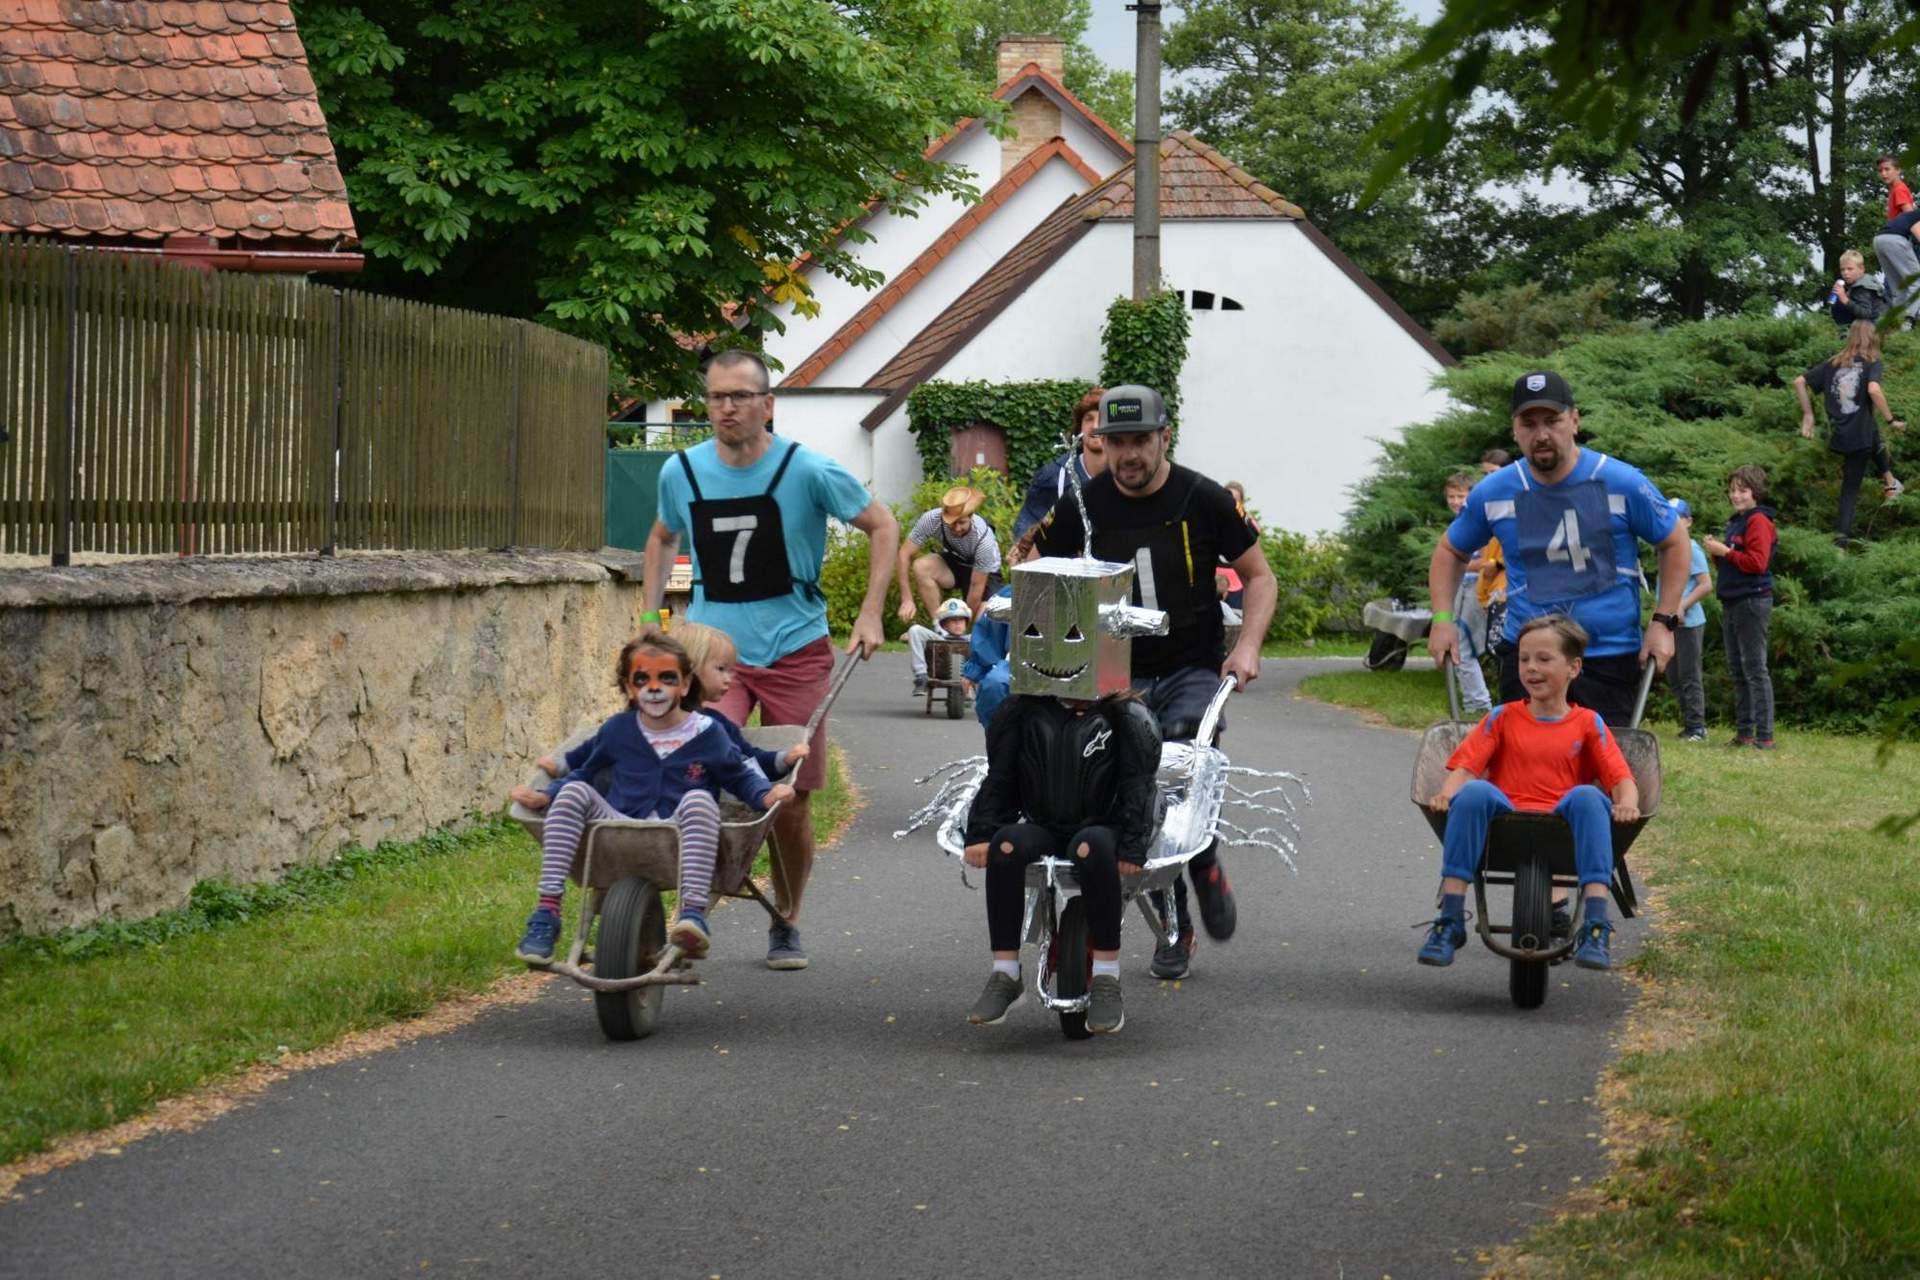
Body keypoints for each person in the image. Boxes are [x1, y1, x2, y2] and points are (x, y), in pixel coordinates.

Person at [643, 349, 899, 970]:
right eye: (716, 397)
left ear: (767, 404)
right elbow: (662, 536)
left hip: (794, 648)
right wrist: (652, 623)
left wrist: (871, 611)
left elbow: (883, 525)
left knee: (790, 798)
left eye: (739, 396)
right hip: (712, 653)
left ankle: (786, 918)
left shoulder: (805, 469)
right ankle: (690, 914)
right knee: (696, 774)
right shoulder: (682, 471)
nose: (726, 408)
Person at [1028, 384, 1278, 979]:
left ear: (1165, 437)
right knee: (1112, 790)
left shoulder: (1204, 498)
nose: (1129, 455)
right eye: (1116, 443)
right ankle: (1174, 920)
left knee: (1181, 762)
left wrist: (1247, 646)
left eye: (1141, 440)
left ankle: (1203, 858)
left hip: (1191, 666)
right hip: (1113, 672)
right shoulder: (1084, 504)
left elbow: (1260, 576)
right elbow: (1043, 573)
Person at [961, 558, 1165, 1034]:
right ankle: (1005, 972)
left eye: (1076, 635)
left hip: (1100, 826)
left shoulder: (1123, 718)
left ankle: (1107, 976)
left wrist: (1133, 846)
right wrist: (982, 831)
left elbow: (1138, 785)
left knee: (1092, 848)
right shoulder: (1023, 711)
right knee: (1007, 846)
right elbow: (1001, 776)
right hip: (1045, 823)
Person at [1428, 370, 1691, 729]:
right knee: (1524, 764)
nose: (1541, 434)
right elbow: (1450, 551)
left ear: (1574, 420)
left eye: (1552, 421)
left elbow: (1674, 541)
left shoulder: (1623, 482)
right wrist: (1443, 620)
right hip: (1528, 662)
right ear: (1515, 429)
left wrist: (1664, 622)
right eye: (1529, 424)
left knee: (1604, 764)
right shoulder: (1494, 492)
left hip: (1608, 657)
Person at [510, 632, 792, 965]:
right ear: (629, 688)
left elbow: (738, 775)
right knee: (574, 791)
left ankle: (691, 916)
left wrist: (765, 795)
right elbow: (586, 772)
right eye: (642, 679)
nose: (654, 688)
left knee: (700, 799)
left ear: (685, 685)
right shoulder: (618, 730)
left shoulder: (708, 733)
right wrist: (547, 796)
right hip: (618, 824)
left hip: (679, 827)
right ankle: (547, 913)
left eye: (667, 678)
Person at [1416, 615, 1640, 972]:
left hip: (1564, 818)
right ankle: (1451, 919)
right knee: (1474, 793)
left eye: (1544, 659)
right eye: (1523, 659)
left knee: (1587, 795)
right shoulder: (1502, 717)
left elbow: (1620, 779)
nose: (1531, 668)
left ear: (1573, 668)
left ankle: (1596, 924)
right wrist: (1446, 795)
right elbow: (1467, 768)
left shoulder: (1587, 723)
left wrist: (1627, 804)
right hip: (1506, 816)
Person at [538, 620, 809, 786]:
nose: (730, 678)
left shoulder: (713, 725)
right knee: (598, 774)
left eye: (731, 670)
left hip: (686, 805)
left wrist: (783, 759)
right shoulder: (638, 720)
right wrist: (566, 764)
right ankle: (559, 790)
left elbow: (746, 759)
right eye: (721, 669)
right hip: (632, 799)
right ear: (690, 671)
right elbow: (598, 746)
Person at [1794, 320, 1906, 548]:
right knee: (1849, 492)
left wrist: (1808, 414)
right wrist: (1891, 420)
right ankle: (1840, 546)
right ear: (1872, 338)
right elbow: (1874, 390)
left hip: (1840, 434)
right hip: (1858, 440)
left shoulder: (1833, 363)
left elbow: (1799, 381)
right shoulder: (1872, 362)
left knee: (1870, 425)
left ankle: (1890, 483)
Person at [1702, 465, 1778, 750]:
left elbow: (1757, 563)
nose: (1736, 495)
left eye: (1742, 490)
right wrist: (1718, 553)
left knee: (1755, 668)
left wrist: (1725, 551)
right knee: (1737, 669)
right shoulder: (1737, 521)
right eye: (1732, 490)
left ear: (1756, 492)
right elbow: (1734, 561)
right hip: (1732, 600)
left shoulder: (1758, 521)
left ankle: (1765, 736)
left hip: (1752, 600)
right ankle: (1745, 733)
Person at [897, 485, 1004, 635]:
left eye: (962, 522)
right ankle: (940, 629)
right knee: (921, 566)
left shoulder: (984, 540)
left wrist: (963, 627)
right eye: (952, 522)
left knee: (985, 618)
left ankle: (968, 637)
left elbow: (976, 587)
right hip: (956, 562)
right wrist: (907, 598)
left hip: (985, 574)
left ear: (971, 517)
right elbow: (904, 554)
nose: (957, 528)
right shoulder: (932, 519)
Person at [1011, 387, 1107, 545]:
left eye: (1103, 419)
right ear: (1080, 428)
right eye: (1089, 419)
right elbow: (1023, 539)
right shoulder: (1055, 477)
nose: (1095, 425)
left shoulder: (1126, 475)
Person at [1656, 499, 1712, 742]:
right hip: (1668, 622)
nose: (1672, 523)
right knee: (1673, 675)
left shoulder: (1691, 548)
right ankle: (1688, 723)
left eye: (1677, 518)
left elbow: (1705, 584)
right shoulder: (1665, 548)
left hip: (1689, 624)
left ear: (1688, 521)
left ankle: (1697, 727)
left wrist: (1682, 604)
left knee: (1689, 675)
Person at [1445, 471, 1494, 717]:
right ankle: (1473, 702)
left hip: (1476, 589)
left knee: (1465, 647)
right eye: (1451, 496)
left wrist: (1455, 564)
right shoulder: (1458, 523)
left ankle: (1479, 704)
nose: (1455, 501)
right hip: (1460, 587)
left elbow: (1488, 562)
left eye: (1460, 496)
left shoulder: (1480, 522)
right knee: (1457, 645)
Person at [1476, 449, 1512, 656]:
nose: (1488, 479)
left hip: (1511, 591)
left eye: (1493, 473)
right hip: (1492, 590)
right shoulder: (1486, 506)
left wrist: (1497, 563)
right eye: (1485, 474)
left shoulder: (1518, 502)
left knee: (1503, 650)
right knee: (1495, 650)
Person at [963, 584, 1014, 727]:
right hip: (1016, 663)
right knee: (993, 686)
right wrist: (974, 670)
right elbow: (988, 634)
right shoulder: (1009, 594)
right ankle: (998, 735)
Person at [906, 597, 973, 695]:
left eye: (961, 620)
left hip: (969, 671)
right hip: (940, 662)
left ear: (966, 623)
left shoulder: (973, 638)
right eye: (953, 620)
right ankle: (921, 677)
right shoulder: (937, 637)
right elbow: (917, 633)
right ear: (944, 625)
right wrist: (910, 635)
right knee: (914, 629)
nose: (957, 623)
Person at [1871, 205, 1920, 324]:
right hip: (1895, 240)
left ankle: (1896, 322)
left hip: (1879, 240)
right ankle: (1909, 321)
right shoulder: (1918, 216)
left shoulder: (1909, 215)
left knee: (1898, 288)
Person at [1828, 249, 1890, 329]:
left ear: (1861, 269)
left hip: (1874, 326)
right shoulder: (1865, 281)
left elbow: (1865, 314)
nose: (1845, 273)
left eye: (1850, 269)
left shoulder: (1862, 288)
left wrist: (1845, 299)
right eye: (1842, 269)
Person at [1879, 154, 1915, 219]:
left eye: (1887, 169)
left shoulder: (1899, 190)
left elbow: (1911, 218)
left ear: (1898, 170)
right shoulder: (1894, 189)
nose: (1883, 173)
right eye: (1880, 170)